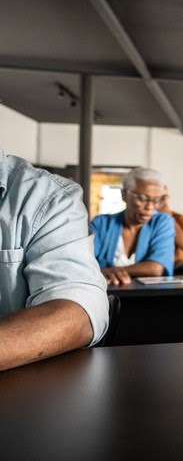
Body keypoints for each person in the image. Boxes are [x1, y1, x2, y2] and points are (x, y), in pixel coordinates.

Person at [0, 147, 109, 371]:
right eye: (144, 198)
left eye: (155, 199)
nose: (148, 205)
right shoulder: (106, 222)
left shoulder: (46, 197)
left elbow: (79, 306)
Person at [91, 167, 175, 285]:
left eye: (156, 200)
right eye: (142, 198)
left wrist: (108, 271)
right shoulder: (101, 224)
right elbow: (84, 264)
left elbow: (156, 268)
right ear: (124, 195)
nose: (150, 207)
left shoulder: (162, 222)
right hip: (102, 294)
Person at [156, 190, 183, 267]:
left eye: (164, 197)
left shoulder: (179, 218)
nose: (162, 201)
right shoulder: (143, 218)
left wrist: (168, 217)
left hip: (176, 266)